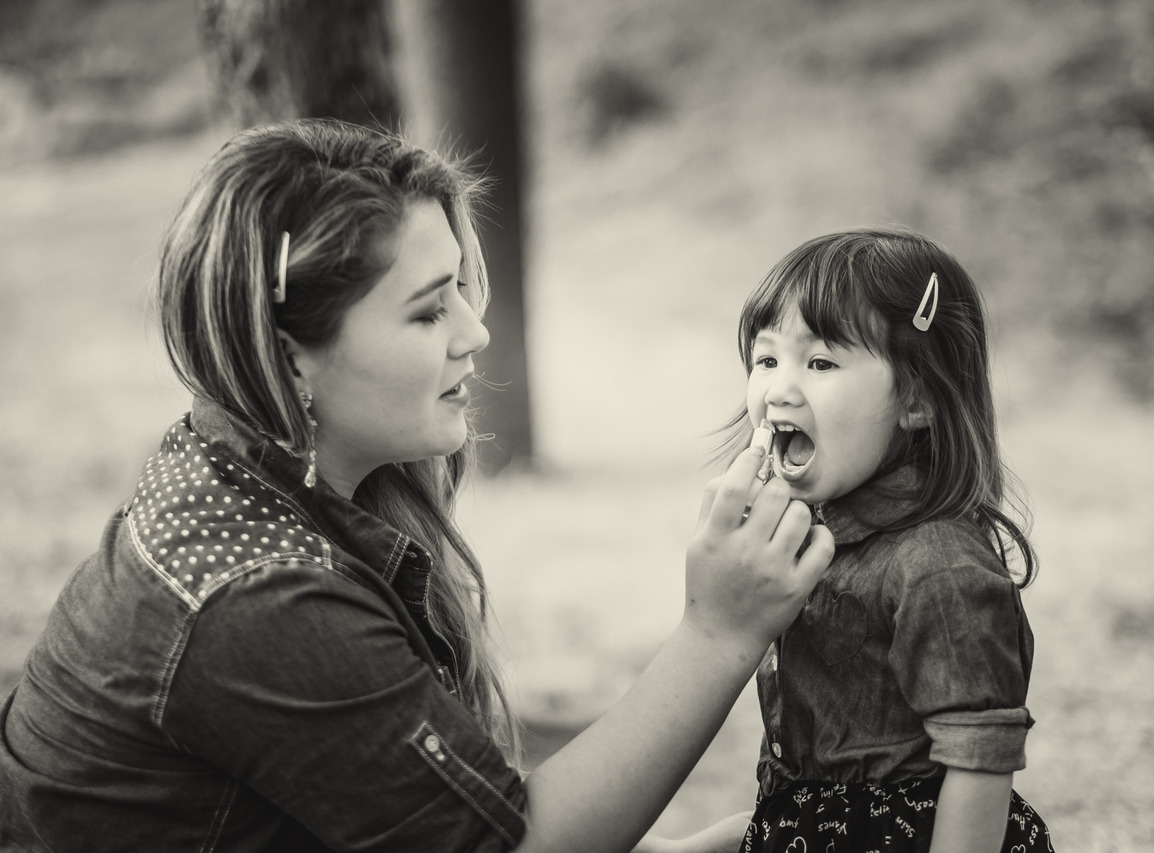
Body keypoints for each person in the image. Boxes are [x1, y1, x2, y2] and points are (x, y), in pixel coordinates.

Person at [0, 118, 835, 853]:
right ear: (292, 352)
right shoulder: (260, 600)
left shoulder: (235, 477)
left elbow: (393, 797)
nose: (474, 333)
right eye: (429, 311)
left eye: (461, 294)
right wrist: (720, 630)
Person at [724, 229, 1054, 852]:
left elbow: (978, 758)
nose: (778, 390)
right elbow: (824, 796)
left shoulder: (937, 565)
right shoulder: (816, 536)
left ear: (917, 401)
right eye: (766, 359)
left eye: (820, 363)